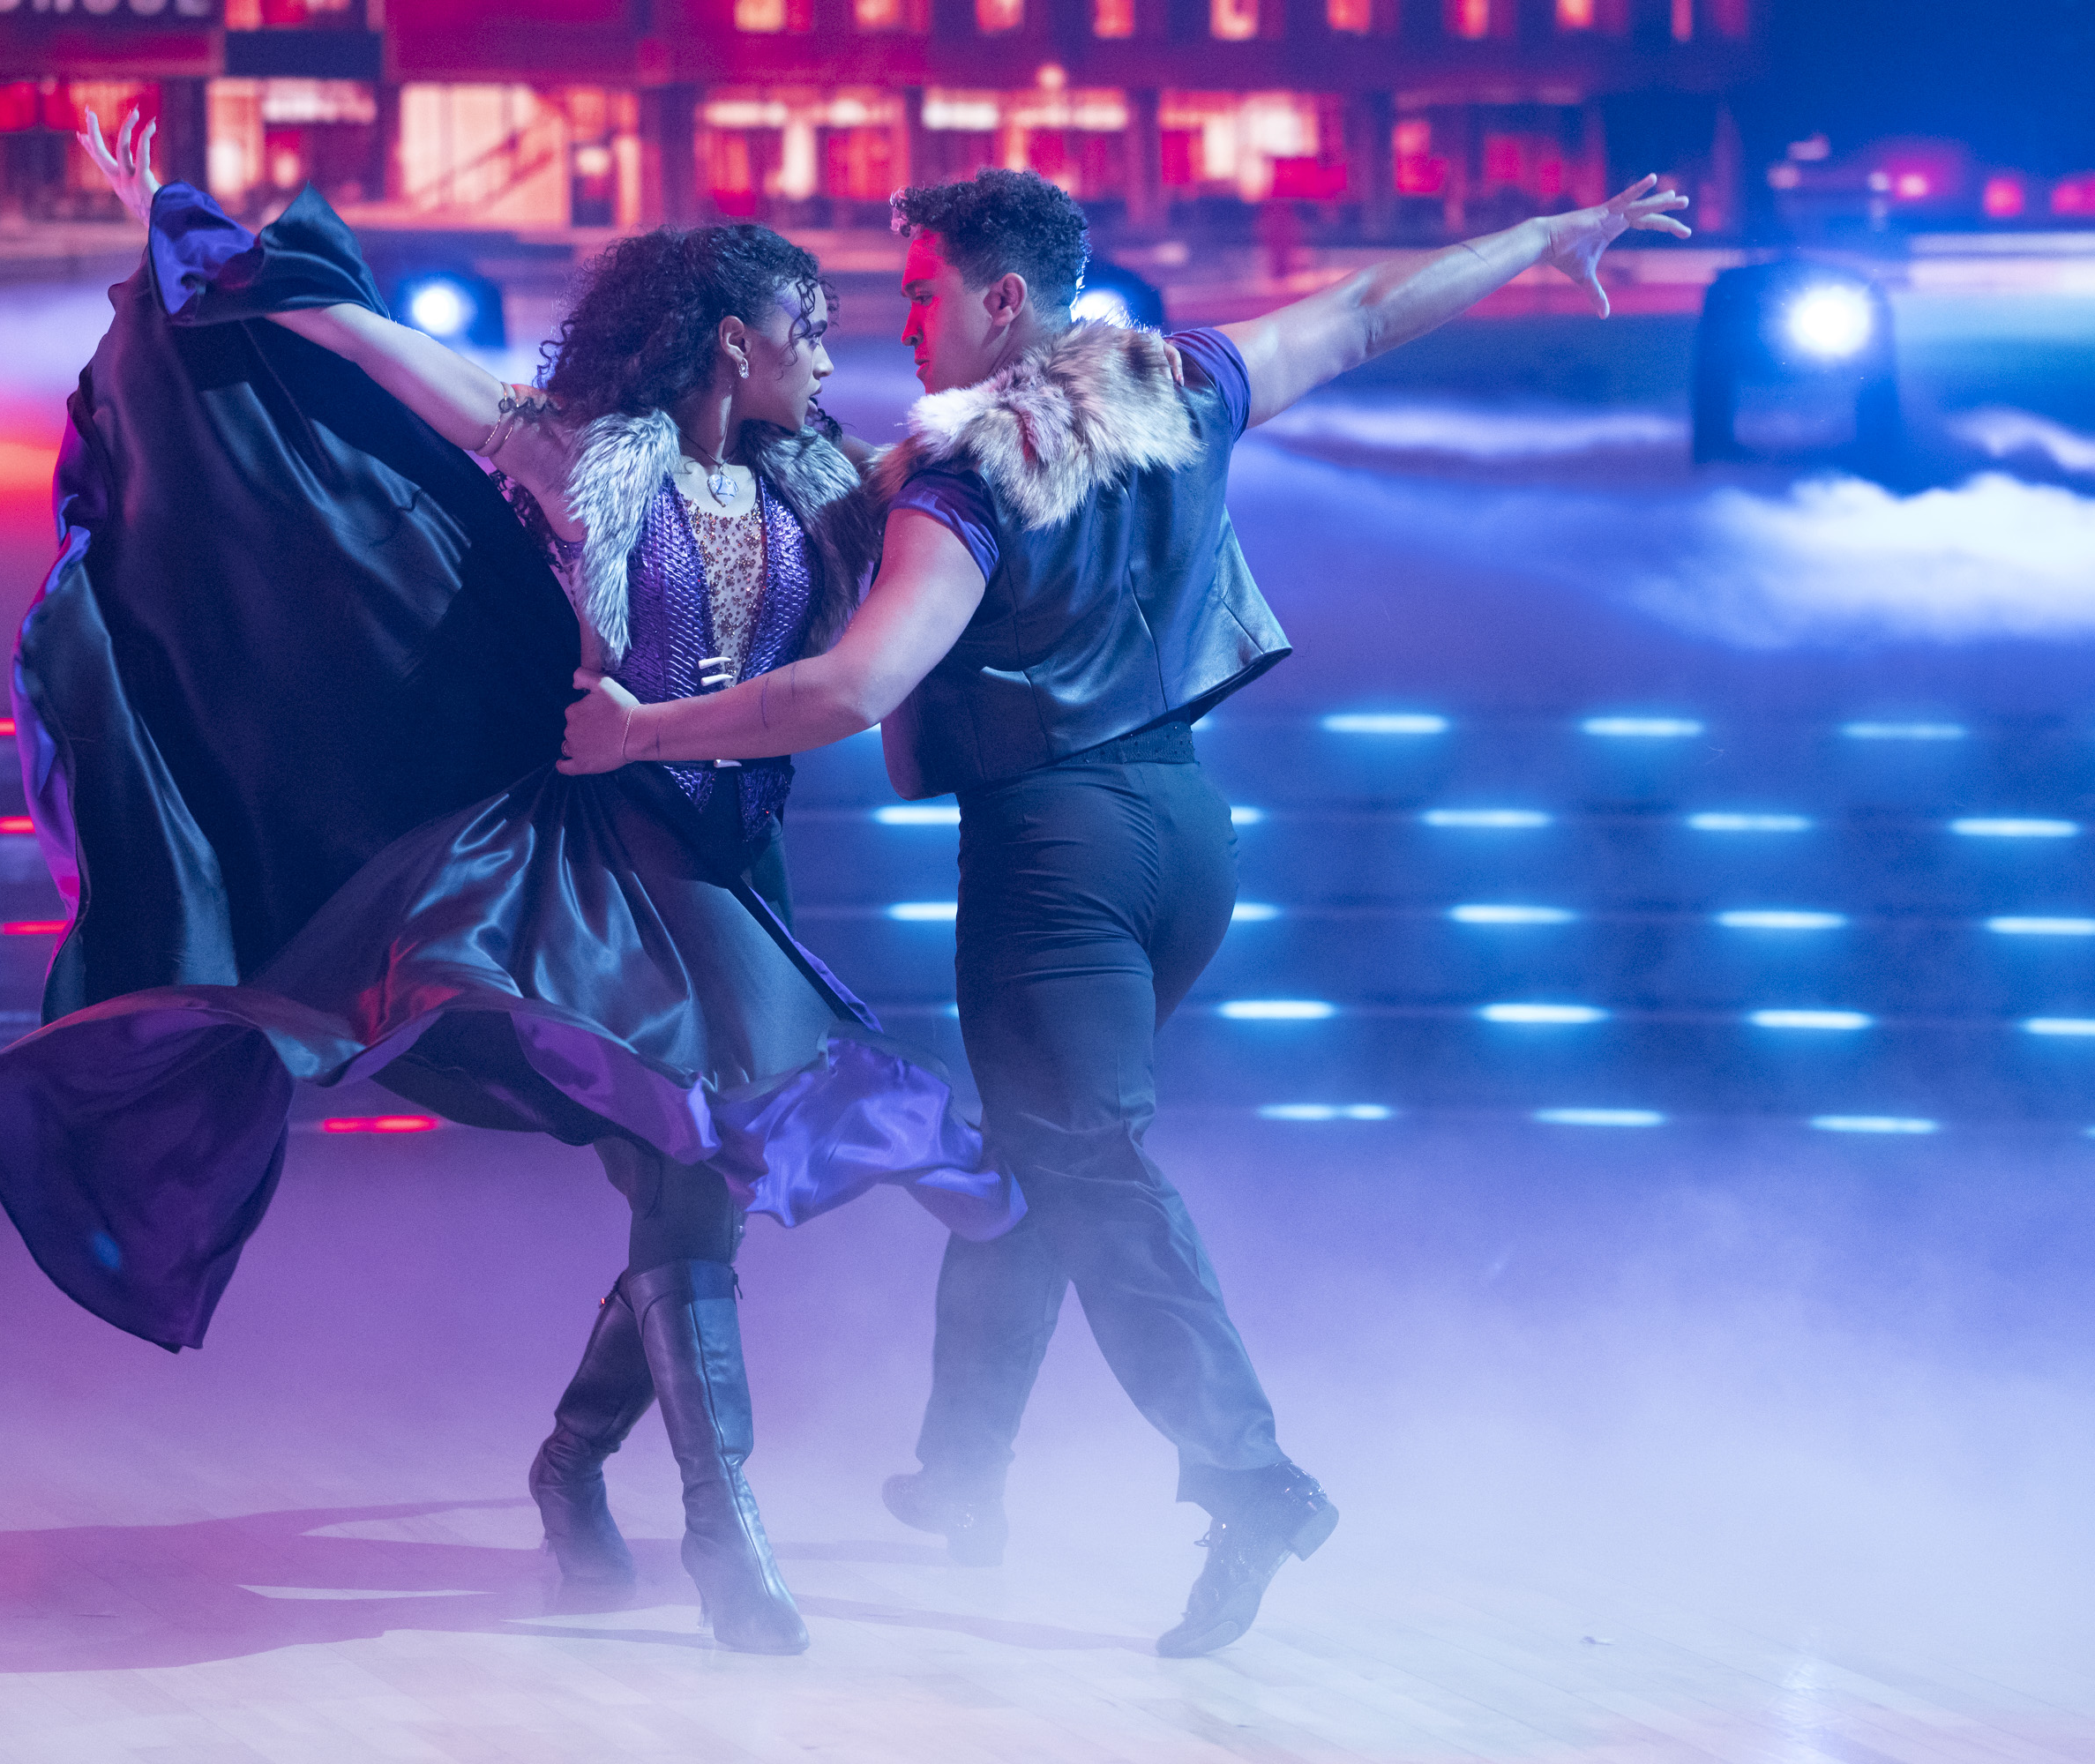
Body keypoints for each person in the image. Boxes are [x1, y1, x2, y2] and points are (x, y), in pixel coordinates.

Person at [558, 165, 1693, 1655]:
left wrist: (636, 735)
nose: (900, 323)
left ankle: (1249, 1477)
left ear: (1002, 299)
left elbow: (853, 688)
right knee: (1045, 1151)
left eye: (918, 293)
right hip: (1186, 843)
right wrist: (1545, 238)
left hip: (1058, 864)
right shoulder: (1184, 381)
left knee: (1088, 1169)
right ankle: (964, 1468)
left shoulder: (965, 479)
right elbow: (1358, 316)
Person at [0, 113, 1018, 1656]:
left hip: (734, 870)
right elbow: (356, 331)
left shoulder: (832, 488)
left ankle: (574, 1461)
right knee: (680, 1169)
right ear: (731, 341)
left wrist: (1080, 380)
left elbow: (984, 476)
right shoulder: (572, 446)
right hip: (590, 869)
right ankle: (726, 1529)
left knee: (700, 1189)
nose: (829, 349)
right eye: (808, 326)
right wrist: (171, 223)